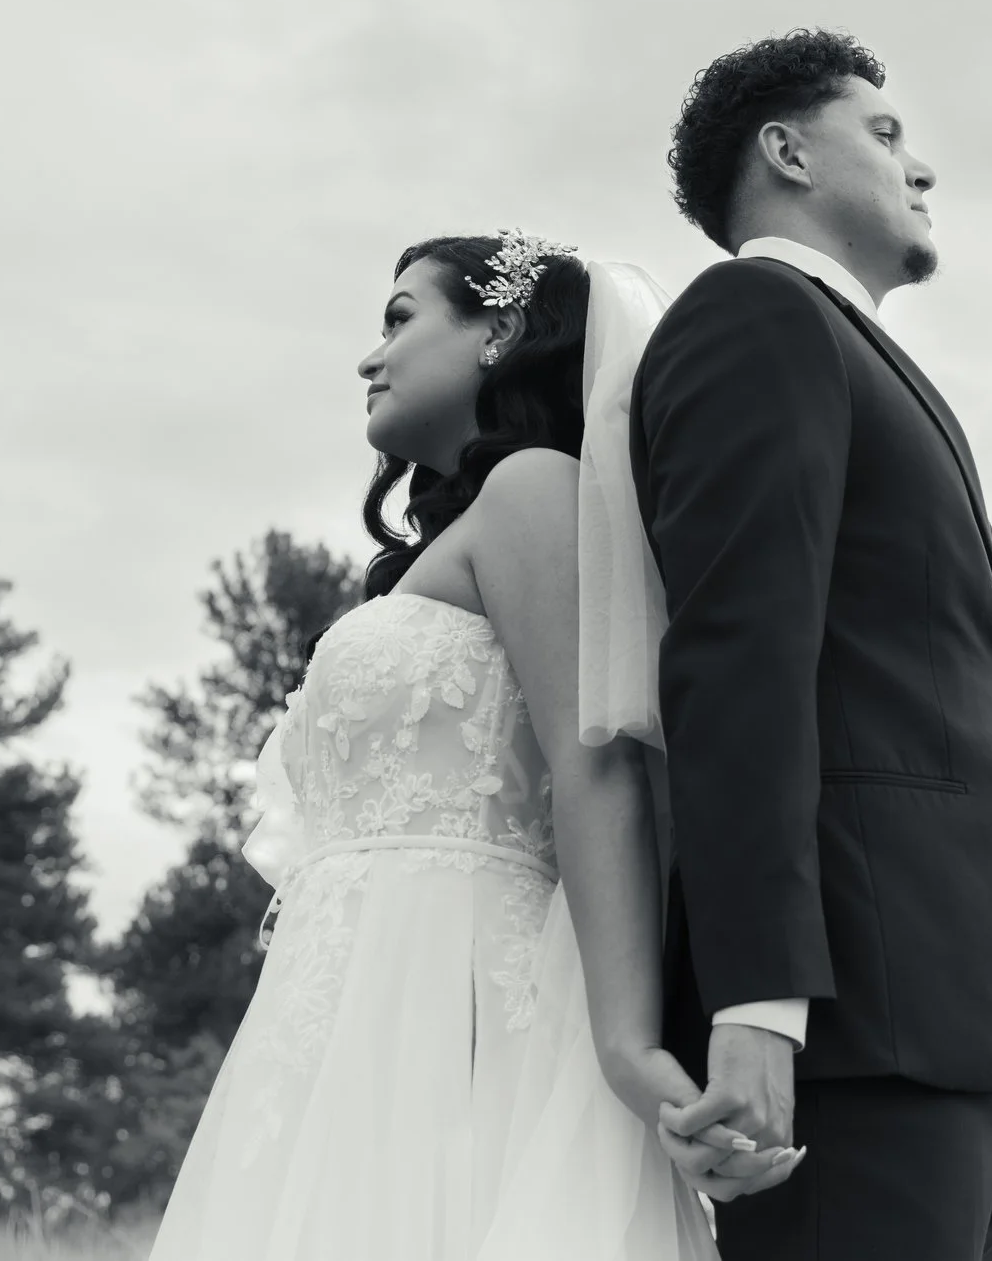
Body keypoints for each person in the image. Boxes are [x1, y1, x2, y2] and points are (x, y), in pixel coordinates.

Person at [147, 232, 775, 1260]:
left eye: (400, 317)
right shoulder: (449, 538)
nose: (369, 355)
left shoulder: (534, 487)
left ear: (504, 331)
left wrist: (624, 1044)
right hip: (337, 1027)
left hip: (464, 1011)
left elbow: (601, 760)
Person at [632, 29, 992, 1259]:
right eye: (883, 133)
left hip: (942, 1016)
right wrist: (758, 1003)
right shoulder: (755, 316)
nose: (920, 166)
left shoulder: (850, 349)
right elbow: (737, 661)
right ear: (785, 152)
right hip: (851, 1024)